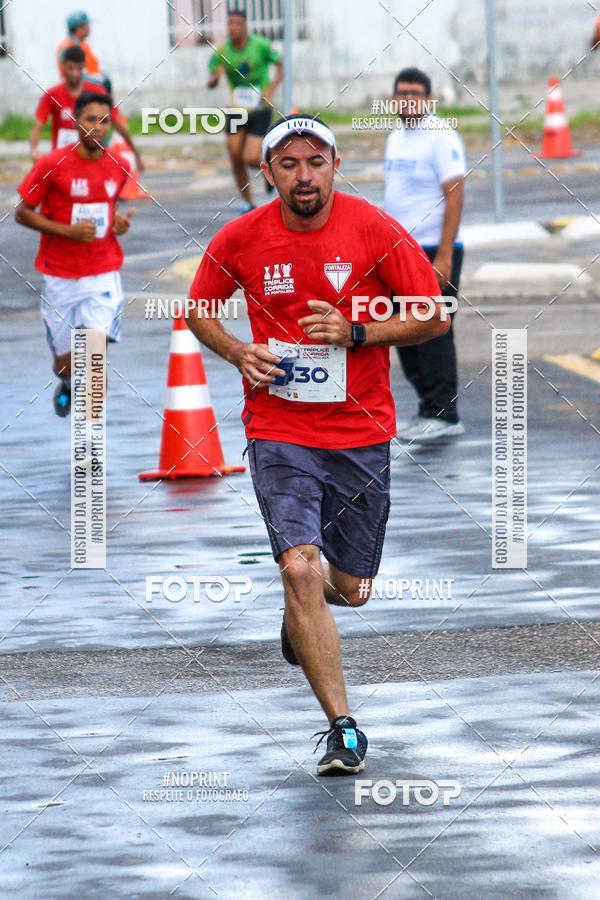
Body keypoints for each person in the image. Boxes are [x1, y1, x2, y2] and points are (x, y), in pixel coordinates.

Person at [185, 114, 448, 774]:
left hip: (360, 431)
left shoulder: (372, 228)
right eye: (289, 164)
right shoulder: (243, 236)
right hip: (279, 428)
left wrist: (357, 333)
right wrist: (239, 351)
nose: (304, 175)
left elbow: (434, 313)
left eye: (317, 162)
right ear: (268, 171)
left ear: (335, 165)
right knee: (299, 565)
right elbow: (197, 307)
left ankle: (302, 617)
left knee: (351, 589)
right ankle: (343, 727)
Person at [16, 92, 135, 417]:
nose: (98, 127)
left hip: (103, 273)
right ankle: (67, 383)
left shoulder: (119, 165)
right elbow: (23, 213)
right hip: (59, 276)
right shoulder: (51, 164)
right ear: (75, 121)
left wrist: (117, 225)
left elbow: (107, 210)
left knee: (95, 362)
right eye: (90, 120)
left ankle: (89, 450)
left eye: (105, 120)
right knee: (66, 364)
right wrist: (67, 231)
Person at [384, 67, 466, 442]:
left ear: (429, 99)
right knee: (405, 333)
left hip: (433, 250)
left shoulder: (440, 136)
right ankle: (426, 407)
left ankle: (445, 413)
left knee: (434, 333)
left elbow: (455, 194)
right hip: (399, 253)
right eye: (402, 93)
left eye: (416, 93)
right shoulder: (396, 138)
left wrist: (445, 256)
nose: (408, 99)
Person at [207, 8, 283, 213]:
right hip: (235, 109)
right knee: (234, 155)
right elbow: (211, 81)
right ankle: (248, 203)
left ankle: (270, 171)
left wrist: (271, 88)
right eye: (229, 24)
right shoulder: (222, 50)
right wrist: (215, 77)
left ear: (245, 26)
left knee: (250, 158)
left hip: (259, 108)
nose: (232, 28)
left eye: (237, 24)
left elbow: (280, 63)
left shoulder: (260, 45)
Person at [30, 45, 142, 169]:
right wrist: (34, 150)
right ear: (63, 66)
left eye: (78, 69)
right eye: (71, 68)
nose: (74, 73)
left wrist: (134, 150)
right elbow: (37, 127)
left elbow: (117, 121)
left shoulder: (98, 92)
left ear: (83, 66)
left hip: (92, 159)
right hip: (63, 162)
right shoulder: (52, 95)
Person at [56, 10, 110, 91]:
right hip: (80, 89)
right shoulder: (68, 46)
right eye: (87, 25)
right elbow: (72, 74)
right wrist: (98, 81)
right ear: (79, 28)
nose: (89, 28)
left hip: (92, 85)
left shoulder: (82, 45)